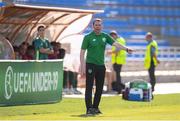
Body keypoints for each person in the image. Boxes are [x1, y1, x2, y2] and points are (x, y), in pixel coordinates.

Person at [80, 18, 133, 115]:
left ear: (102, 26)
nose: (98, 26)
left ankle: (95, 107)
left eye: (99, 25)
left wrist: (126, 49)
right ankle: (89, 108)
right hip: (90, 64)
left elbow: (116, 43)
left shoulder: (105, 36)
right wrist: (82, 66)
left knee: (99, 88)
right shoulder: (87, 37)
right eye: (96, 25)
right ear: (93, 26)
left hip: (101, 65)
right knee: (89, 87)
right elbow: (82, 52)